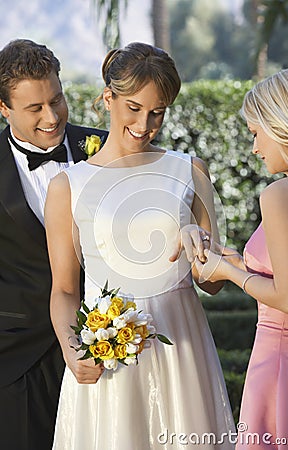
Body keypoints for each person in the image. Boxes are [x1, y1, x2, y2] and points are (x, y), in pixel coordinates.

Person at [45, 42, 235, 450]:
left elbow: (213, 282)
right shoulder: (68, 187)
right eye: (133, 107)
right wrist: (71, 347)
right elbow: (63, 290)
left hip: (183, 351)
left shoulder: (190, 170)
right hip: (108, 361)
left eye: (157, 112)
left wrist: (202, 250)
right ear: (107, 98)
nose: (144, 124)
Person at [0, 38, 108, 450]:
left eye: (57, 99)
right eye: (35, 108)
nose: (52, 116)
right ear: (4, 108)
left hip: (109, 346)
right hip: (17, 360)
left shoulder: (106, 149)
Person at [190, 69, 288, 449]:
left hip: (283, 362)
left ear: (280, 123)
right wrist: (241, 265)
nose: (254, 148)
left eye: (256, 133)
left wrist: (228, 273)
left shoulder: (281, 195)